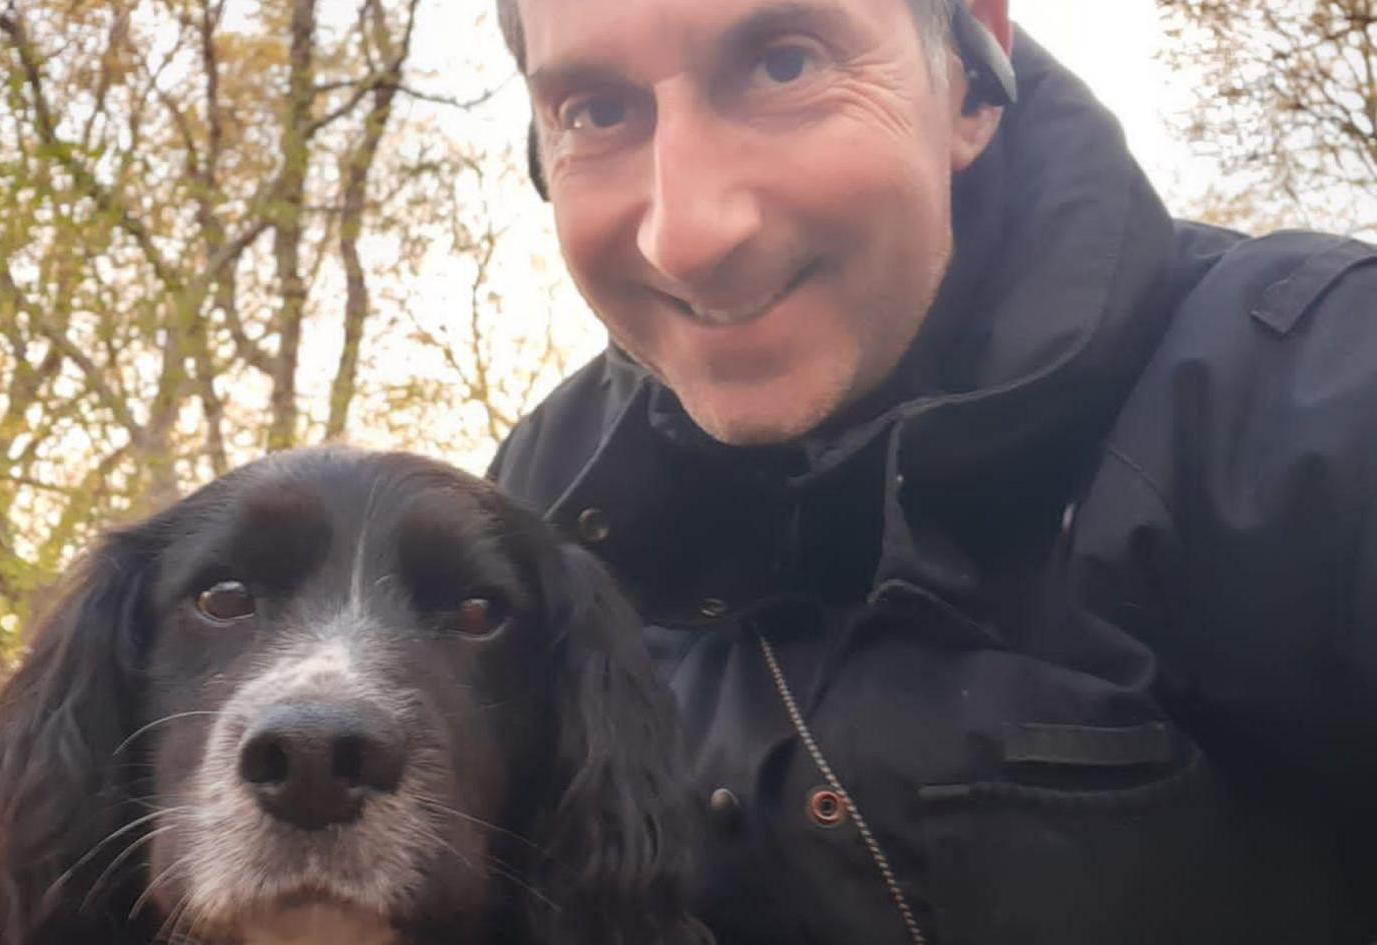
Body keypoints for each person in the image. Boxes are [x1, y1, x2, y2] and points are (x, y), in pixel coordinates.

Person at [485, 0, 1377, 941]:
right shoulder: (533, 503)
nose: (689, 236)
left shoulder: (1315, 391)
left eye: (786, 64)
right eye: (596, 111)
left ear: (969, 74)